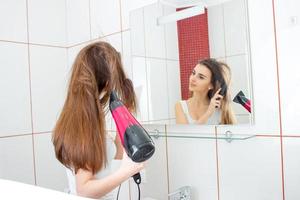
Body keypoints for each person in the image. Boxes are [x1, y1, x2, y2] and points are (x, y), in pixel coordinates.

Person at [52, 41, 145, 199]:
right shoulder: (84, 125)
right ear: (107, 82)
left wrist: (121, 137)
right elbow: (84, 189)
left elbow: (104, 169)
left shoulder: (83, 117)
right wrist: (127, 171)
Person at [175, 58, 236, 124]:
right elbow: (186, 134)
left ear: (211, 85)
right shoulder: (181, 106)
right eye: (193, 73)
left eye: (201, 77)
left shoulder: (219, 111)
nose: (193, 79)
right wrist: (208, 113)